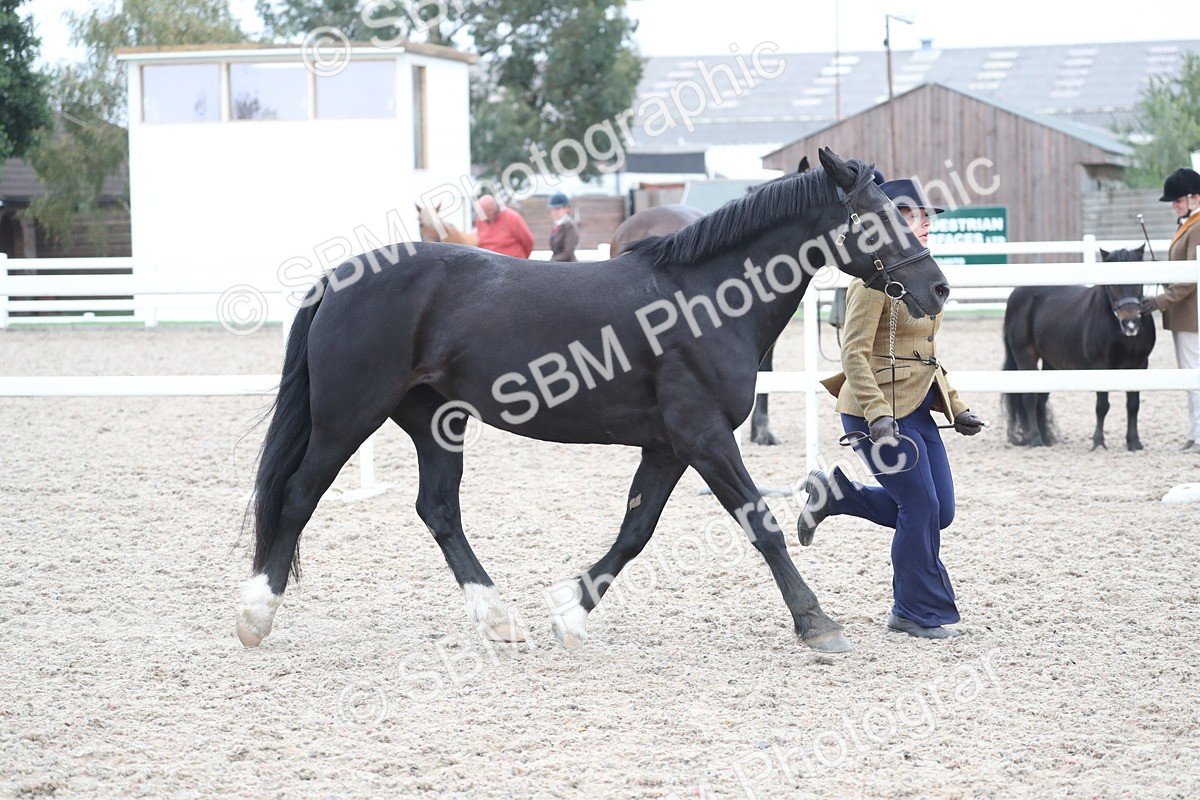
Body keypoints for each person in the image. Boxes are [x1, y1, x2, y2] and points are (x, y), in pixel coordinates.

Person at [799, 178, 985, 640]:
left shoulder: (920, 269)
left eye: (927, 216)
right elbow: (853, 352)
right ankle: (915, 612)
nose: (924, 224)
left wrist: (955, 407)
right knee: (919, 507)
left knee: (939, 512)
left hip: (918, 408)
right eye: (912, 216)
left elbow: (926, 351)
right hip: (872, 414)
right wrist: (878, 414)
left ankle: (837, 496)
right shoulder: (873, 278)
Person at [1141, 167, 1200, 453]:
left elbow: (1190, 278)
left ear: (1195, 197)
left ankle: (1199, 436)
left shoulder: (1198, 226)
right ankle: (1195, 433)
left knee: (1194, 376)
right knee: (1191, 376)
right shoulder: (1187, 224)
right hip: (1185, 316)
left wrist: (1160, 300)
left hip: (1192, 316)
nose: (1174, 205)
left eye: (1178, 200)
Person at [547, 192, 580, 262]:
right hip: (557, 264)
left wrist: (550, 262)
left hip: (567, 265)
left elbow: (568, 253)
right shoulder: (555, 224)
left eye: (558, 208)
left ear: (566, 208)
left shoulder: (570, 225)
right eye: (553, 209)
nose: (555, 211)